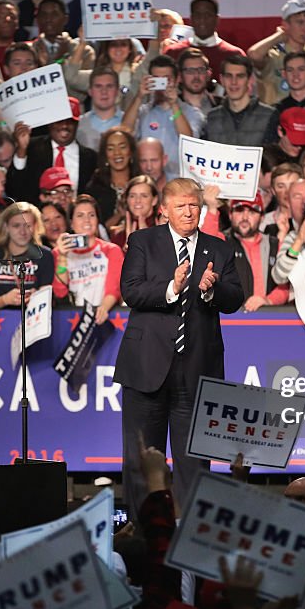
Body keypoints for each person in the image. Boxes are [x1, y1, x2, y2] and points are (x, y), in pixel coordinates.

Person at [115, 177, 244, 513]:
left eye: (193, 205)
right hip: (146, 369)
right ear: (164, 211)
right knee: (142, 462)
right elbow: (131, 291)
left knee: (195, 467)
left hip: (197, 370)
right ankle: (142, 543)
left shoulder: (219, 248)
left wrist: (210, 290)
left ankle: (191, 542)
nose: (189, 212)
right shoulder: (142, 241)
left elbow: (235, 298)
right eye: (181, 206)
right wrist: (171, 287)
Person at [203, 190, 289, 311]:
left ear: (262, 217)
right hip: (229, 318)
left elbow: (285, 287)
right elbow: (204, 248)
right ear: (230, 215)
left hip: (269, 316)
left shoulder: (275, 244)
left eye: (252, 212)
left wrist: (267, 300)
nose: (245, 217)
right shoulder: (222, 241)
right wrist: (212, 208)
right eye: (239, 210)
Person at [122, 55, 204, 183]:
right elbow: (124, 131)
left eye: (166, 79)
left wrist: (174, 105)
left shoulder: (192, 113)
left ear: (177, 80)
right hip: (148, 183)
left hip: (180, 183)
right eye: (156, 79)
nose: (161, 85)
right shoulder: (143, 111)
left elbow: (188, 140)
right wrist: (139, 97)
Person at [248, 0, 305, 106]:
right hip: (276, 119)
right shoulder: (273, 58)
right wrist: (278, 37)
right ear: (286, 24)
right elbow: (254, 55)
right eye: (300, 22)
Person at [9, 97, 96, 205]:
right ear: (50, 122)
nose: (64, 126)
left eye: (70, 121)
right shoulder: (31, 148)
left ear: (77, 124)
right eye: (59, 121)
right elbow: (13, 189)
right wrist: (21, 151)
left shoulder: (90, 158)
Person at [52, 194, 123, 323]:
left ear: (97, 220)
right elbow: (59, 293)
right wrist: (62, 257)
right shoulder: (59, 252)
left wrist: (103, 308)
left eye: (91, 215)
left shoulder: (112, 250)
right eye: (80, 215)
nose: (87, 220)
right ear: (71, 223)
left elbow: (114, 289)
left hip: (104, 316)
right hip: (71, 320)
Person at [0, 201, 52, 309]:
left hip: (32, 319)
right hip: (0, 320)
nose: (23, 232)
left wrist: (36, 297)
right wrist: (5, 300)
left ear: (35, 226)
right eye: (16, 225)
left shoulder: (45, 256)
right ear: (6, 227)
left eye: (28, 225)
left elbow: (47, 298)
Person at [162, 0, 245, 75]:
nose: (202, 20)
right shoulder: (173, 52)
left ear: (217, 19)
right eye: (198, 15)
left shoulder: (234, 54)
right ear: (191, 19)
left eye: (208, 15)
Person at [204, 54, 274, 148]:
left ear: (250, 80)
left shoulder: (269, 115)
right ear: (222, 80)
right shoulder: (211, 118)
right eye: (229, 76)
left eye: (240, 76)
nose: (234, 82)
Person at [84, 126, 140, 226]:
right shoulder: (95, 188)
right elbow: (95, 229)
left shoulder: (143, 184)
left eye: (122, 147)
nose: (117, 153)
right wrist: (119, 215)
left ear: (131, 152)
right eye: (110, 149)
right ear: (105, 156)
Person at [76, 67, 124, 151]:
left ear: (117, 91)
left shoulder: (132, 122)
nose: (104, 92)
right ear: (90, 91)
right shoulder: (78, 124)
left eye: (109, 86)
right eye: (98, 86)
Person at [110, 175, 159, 251]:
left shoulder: (165, 231)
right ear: (127, 200)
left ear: (154, 200)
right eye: (132, 196)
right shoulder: (117, 235)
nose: (138, 200)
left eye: (144, 196)